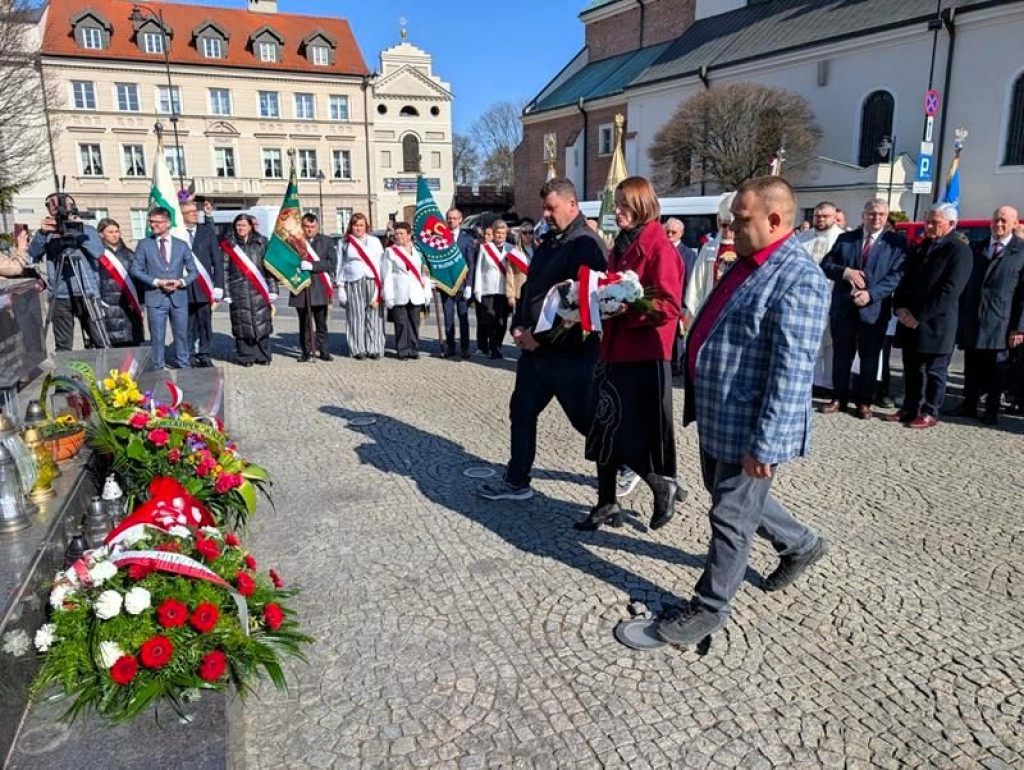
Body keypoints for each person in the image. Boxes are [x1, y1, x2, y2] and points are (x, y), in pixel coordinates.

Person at [655, 176, 831, 648]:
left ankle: (710, 607)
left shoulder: (799, 277)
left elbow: (791, 374)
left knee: (729, 517)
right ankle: (802, 544)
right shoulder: (748, 262)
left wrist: (766, 445)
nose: (731, 227)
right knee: (729, 495)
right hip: (719, 415)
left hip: (749, 426)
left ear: (775, 220)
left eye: (742, 219)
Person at [478, 178, 607, 500]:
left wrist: (543, 338)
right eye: (544, 208)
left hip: (569, 355)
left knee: (586, 421)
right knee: (521, 410)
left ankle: (643, 469)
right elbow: (531, 288)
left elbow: (584, 308)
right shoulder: (550, 240)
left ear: (572, 204)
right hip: (535, 353)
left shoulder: (587, 245)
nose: (545, 214)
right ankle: (517, 480)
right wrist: (519, 325)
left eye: (552, 208)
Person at [575, 177, 685, 532]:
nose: (617, 211)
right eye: (616, 204)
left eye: (623, 205)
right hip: (613, 349)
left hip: (643, 353)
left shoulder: (659, 247)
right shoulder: (619, 246)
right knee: (603, 427)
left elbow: (669, 306)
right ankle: (606, 501)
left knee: (629, 431)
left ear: (641, 207)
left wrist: (627, 309)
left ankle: (659, 482)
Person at [819, 199, 907, 418]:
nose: (876, 218)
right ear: (863, 215)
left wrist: (871, 295)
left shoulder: (896, 243)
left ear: (886, 217)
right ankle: (839, 397)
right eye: (871, 214)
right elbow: (826, 265)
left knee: (869, 358)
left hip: (874, 311)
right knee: (842, 355)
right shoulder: (845, 238)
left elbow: (896, 276)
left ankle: (864, 401)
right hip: (843, 308)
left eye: (881, 214)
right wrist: (845, 272)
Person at [888, 203, 973, 429]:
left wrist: (919, 315)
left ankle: (930, 411)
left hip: (936, 322)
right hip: (909, 319)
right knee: (911, 368)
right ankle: (909, 407)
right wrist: (901, 307)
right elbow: (905, 280)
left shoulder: (959, 249)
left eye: (935, 222)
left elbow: (950, 289)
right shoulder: (923, 246)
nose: (929, 226)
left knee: (935, 371)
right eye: (928, 220)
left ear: (951, 224)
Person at [954, 206, 1024, 425]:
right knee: (972, 365)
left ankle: (991, 409)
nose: (999, 225)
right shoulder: (977, 247)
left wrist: (1019, 327)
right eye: (995, 220)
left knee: (997, 369)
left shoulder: (1021, 251)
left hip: (1001, 321)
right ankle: (969, 404)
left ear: (1014, 224)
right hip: (974, 318)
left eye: (1004, 221)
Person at [27, 193, 105, 350]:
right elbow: (33, 254)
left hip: (87, 291)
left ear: (72, 207)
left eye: (63, 204)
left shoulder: (87, 230)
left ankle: (107, 371)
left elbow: (98, 253)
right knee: (63, 345)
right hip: (60, 294)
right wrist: (42, 234)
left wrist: (78, 231)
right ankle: (65, 373)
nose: (58, 209)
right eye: (53, 206)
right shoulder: (47, 233)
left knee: (100, 339)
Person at [130, 207, 197, 369]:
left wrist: (181, 282)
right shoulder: (144, 244)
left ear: (167, 223)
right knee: (157, 337)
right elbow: (135, 269)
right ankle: (157, 368)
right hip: (155, 297)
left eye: (157, 222)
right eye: (151, 222)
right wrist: (156, 281)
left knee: (181, 335)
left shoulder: (181, 245)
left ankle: (184, 366)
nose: (153, 225)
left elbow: (193, 271)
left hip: (178, 298)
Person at [797, 201, 848, 393]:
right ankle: (812, 381)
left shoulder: (843, 239)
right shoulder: (802, 238)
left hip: (832, 297)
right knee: (808, 341)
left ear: (835, 217)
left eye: (825, 216)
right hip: (805, 299)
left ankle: (829, 382)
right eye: (817, 216)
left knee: (831, 342)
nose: (820, 219)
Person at [222, 213, 277, 367]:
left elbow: (269, 269)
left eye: (244, 225)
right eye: (238, 225)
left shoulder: (262, 242)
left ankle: (263, 355)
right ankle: (246, 356)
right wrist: (226, 292)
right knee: (242, 323)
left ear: (251, 226)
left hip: (259, 289)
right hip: (238, 290)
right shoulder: (229, 245)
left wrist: (273, 289)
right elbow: (224, 269)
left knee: (261, 322)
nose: (241, 228)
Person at [180, 201, 224, 368]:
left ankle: (204, 354)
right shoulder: (177, 233)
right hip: (185, 287)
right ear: (182, 214)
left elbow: (217, 260)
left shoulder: (207, 232)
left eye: (195, 211)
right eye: (190, 211)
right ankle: (189, 354)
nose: (194, 213)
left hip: (204, 287)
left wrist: (219, 285)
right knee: (187, 324)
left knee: (205, 324)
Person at [337, 213, 386, 360]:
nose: (358, 228)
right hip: (353, 281)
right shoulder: (344, 242)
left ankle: (375, 348)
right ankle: (357, 348)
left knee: (375, 315)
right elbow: (340, 264)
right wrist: (340, 287)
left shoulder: (375, 241)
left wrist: (382, 285)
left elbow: (381, 262)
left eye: (361, 225)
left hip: (373, 280)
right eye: (356, 225)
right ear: (351, 226)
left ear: (366, 227)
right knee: (356, 316)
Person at [289, 213, 336, 362]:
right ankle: (306, 351)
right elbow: (287, 263)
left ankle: (323, 350)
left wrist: (313, 266)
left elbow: (331, 263)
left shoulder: (327, 241)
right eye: (306, 227)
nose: (309, 230)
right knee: (304, 323)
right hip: (301, 287)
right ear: (302, 227)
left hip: (320, 286)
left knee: (321, 323)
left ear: (317, 226)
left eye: (312, 227)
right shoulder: (294, 242)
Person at [684, 193, 736, 321]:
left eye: (731, 226)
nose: (727, 230)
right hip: (710, 304)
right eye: (724, 225)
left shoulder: (743, 247)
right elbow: (697, 280)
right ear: (719, 223)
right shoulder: (709, 248)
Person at [383, 221, 430, 360]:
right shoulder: (390, 251)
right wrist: (388, 296)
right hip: (399, 291)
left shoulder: (418, 252)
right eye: (396, 234)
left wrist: (426, 291)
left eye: (402, 233)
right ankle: (402, 350)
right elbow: (386, 274)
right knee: (401, 323)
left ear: (409, 235)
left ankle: (414, 349)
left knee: (414, 323)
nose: (399, 236)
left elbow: (424, 272)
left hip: (415, 291)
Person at [96, 218, 144, 347]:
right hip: (108, 304)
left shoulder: (130, 254)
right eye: (110, 232)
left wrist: (141, 302)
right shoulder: (98, 255)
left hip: (129, 302)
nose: (114, 235)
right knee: (114, 344)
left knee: (133, 340)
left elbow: (138, 280)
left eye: (117, 231)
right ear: (101, 234)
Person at [474, 219, 515, 359]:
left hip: (504, 290)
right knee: (489, 319)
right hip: (488, 289)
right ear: (494, 233)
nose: (500, 236)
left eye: (503, 233)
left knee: (502, 321)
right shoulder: (485, 248)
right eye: (498, 233)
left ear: (506, 234)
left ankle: (498, 346)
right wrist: (477, 290)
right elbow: (479, 269)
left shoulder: (511, 248)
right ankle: (492, 347)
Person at [442, 208, 476, 359]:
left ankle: (465, 347)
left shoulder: (467, 239)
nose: (451, 221)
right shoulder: (441, 237)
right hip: (446, 285)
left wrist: (469, 285)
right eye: (449, 218)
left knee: (463, 318)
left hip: (462, 285)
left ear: (460, 220)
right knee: (448, 317)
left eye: (455, 218)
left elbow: (471, 263)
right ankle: (450, 346)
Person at [664, 217, 696, 377]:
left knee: (678, 338)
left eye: (673, 232)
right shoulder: (660, 250)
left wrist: (684, 306)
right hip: (663, 301)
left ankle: (676, 367)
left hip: (679, 303)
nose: (669, 234)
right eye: (667, 231)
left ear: (681, 234)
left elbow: (690, 280)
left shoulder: (688, 254)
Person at [506, 218, 534, 309]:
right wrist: (510, 295)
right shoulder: (515, 252)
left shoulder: (539, 250)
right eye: (525, 233)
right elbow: (510, 275)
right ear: (520, 234)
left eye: (531, 232)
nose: (528, 235)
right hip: (520, 292)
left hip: (535, 292)